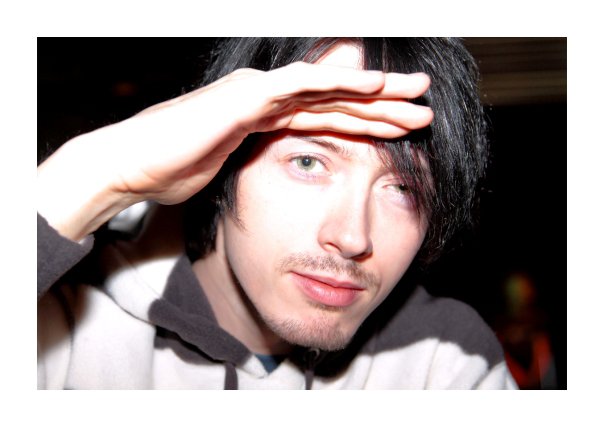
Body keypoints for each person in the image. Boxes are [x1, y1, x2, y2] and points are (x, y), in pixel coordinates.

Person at [37, 37, 517, 389]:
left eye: (403, 188)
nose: (353, 237)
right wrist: (102, 172)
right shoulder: (57, 323)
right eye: (307, 162)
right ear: (220, 161)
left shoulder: (446, 363)